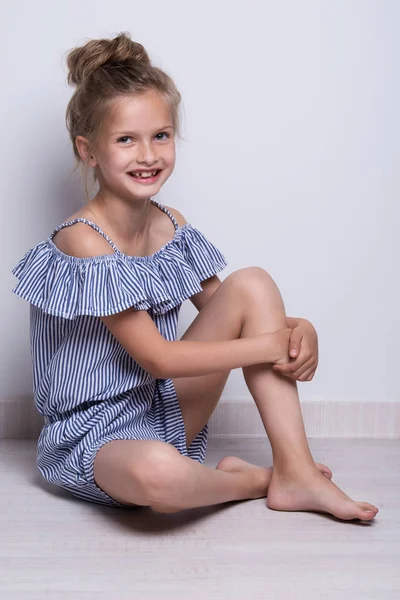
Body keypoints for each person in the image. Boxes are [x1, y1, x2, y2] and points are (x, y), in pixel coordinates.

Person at [12, 31, 378, 521]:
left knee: (252, 281)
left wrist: (297, 329)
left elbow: (240, 312)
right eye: (126, 140)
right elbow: (159, 358)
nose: (148, 155)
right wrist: (272, 346)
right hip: (95, 439)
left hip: (166, 412)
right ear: (88, 150)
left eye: (160, 135)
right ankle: (259, 479)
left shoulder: (172, 225)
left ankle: (297, 469)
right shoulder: (82, 240)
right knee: (160, 475)